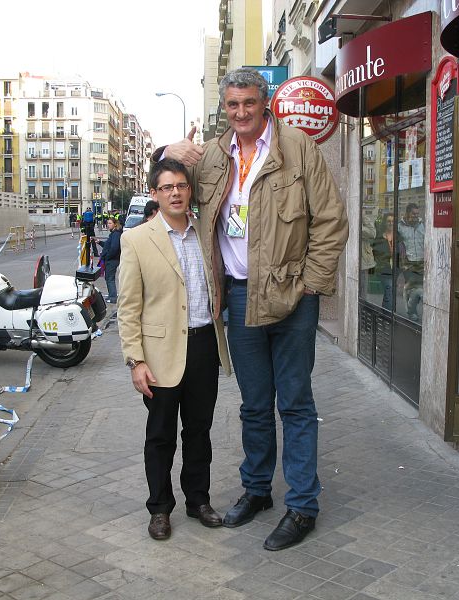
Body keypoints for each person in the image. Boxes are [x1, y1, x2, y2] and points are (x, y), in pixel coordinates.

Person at [161, 67, 348, 551]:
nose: (241, 112)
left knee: (296, 403)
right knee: (253, 405)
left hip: (292, 295)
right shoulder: (215, 157)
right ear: (224, 108)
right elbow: (168, 189)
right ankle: (258, 490)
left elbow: (330, 220)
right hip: (239, 296)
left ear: (265, 102)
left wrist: (311, 286)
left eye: (248, 102)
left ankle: (303, 505)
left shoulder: (297, 149)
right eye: (232, 105)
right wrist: (170, 152)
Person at [118, 159, 231, 541]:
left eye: (181, 186)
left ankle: (198, 500)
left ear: (189, 190)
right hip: (161, 354)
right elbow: (128, 308)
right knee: (161, 435)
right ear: (155, 193)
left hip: (204, 346)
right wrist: (136, 361)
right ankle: (160, 508)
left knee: (199, 431)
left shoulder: (205, 233)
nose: (176, 193)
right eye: (167, 188)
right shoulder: (136, 239)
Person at [397, 202, 424, 321]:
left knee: (419, 289)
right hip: (408, 263)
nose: (416, 216)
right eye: (413, 214)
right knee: (411, 288)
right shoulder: (400, 226)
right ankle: (411, 313)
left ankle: (410, 310)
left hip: (422, 262)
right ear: (407, 213)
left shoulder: (423, 225)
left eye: (417, 214)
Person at [373, 213, 395, 310]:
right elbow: (376, 253)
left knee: (389, 291)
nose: (391, 223)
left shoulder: (398, 236)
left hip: (396, 268)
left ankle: (386, 311)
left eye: (393, 221)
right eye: (388, 221)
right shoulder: (379, 238)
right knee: (389, 287)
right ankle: (387, 314)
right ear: (385, 223)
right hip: (383, 270)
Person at [97, 216, 122, 302]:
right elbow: (108, 246)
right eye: (107, 223)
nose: (108, 225)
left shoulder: (116, 234)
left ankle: (113, 297)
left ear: (115, 225)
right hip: (111, 259)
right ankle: (111, 295)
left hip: (112, 260)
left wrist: (107, 256)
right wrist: (99, 242)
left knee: (110, 278)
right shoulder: (113, 234)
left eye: (110, 223)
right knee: (108, 277)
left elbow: (114, 248)